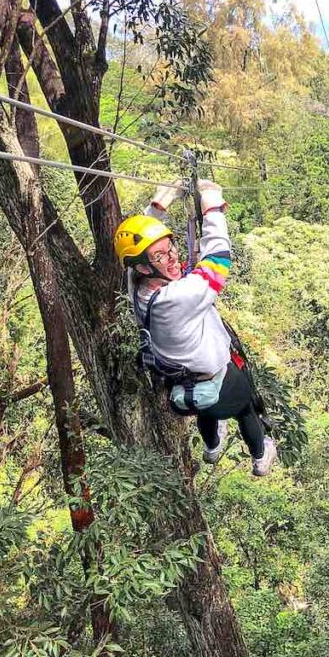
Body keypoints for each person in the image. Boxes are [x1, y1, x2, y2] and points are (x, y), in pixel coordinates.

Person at [113, 178, 278, 476]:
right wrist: (213, 206)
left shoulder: (138, 285)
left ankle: (212, 447)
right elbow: (216, 261)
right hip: (220, 383)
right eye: (160, 256)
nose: (173, 257)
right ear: (144, 267)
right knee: (245, 410)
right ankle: (260, 456)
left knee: (206, 415)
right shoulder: (176, 298)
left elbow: (138, 245)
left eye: (170, 247)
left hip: (183, 388)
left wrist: (157, 208)